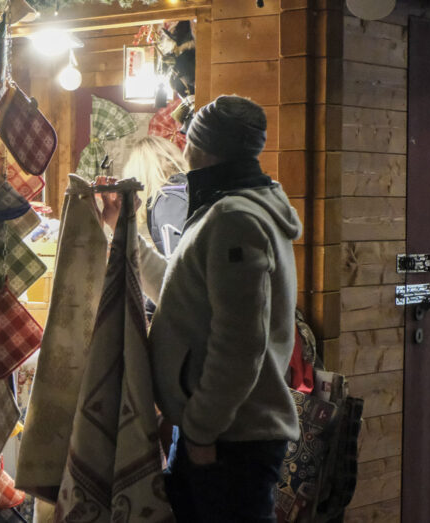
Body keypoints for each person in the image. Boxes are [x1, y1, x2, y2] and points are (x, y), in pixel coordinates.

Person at [105, 95, 301, 522]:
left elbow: (240, 343)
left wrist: (200, 429)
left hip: (228, 440)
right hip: (218, 432)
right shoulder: (231, 207)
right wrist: (121, 232)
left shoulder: (234, 218)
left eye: (189, 137)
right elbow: (177, 291)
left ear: (203, 146)